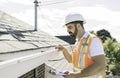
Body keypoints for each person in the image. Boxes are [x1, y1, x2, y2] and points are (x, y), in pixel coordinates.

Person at [56, 13, 106, 78]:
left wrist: (75, 75)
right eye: (67, 28)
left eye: (70, 27)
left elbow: (100, 65)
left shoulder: (93, 40)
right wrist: (64, 50)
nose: (67, 30)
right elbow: (71, 60)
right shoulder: (77, 42)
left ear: (78, 26)